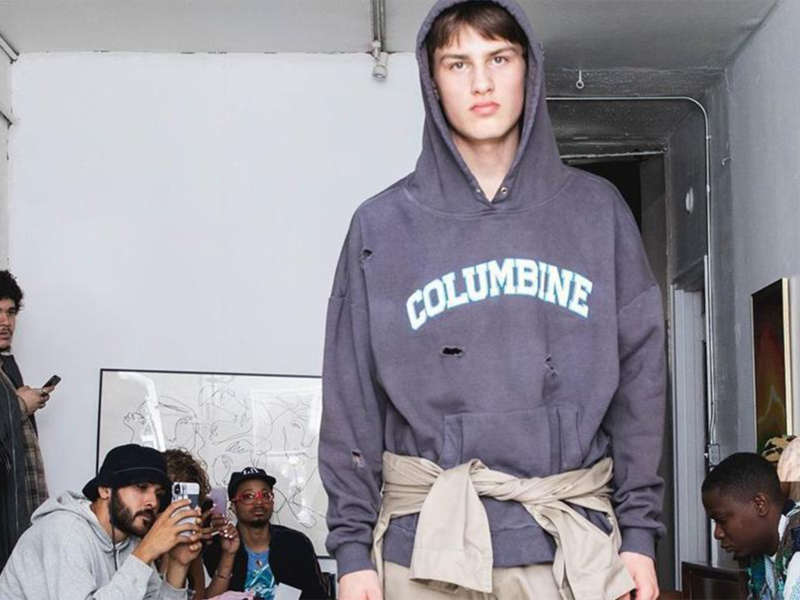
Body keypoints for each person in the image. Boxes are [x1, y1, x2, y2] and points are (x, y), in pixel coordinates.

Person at [319, 1, 665, 599]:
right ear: (432, 81)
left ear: (529, 68)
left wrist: (638, 534)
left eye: (499, 58)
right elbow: (350, 394)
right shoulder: (381, 226)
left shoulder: (597, 212)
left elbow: (642, 381)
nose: (481, 82)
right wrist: (352, 553)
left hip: (570, 547)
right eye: (458, 63)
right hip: (422, 548)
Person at [0, 443, 203, 599]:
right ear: (105, 490)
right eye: (141, 487)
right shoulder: (64, 531)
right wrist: (145, 553)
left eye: (158, 494)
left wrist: (178, 565)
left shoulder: (130, 541)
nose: (153, 502)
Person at [203, 467, 330, 600]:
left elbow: (318, 596)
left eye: (265, 495)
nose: (259, 502)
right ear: (233, 506)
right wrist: (228, 555)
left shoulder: (296, 543)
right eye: (248, 496)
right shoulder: (217, 548)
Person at [0, 270, 52, 570]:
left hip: (20, 523)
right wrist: (20, 404)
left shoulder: (7, 366)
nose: (5, 322)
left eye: (11, 312)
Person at [702, 452, 800, 599]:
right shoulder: (759, 552)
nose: (717, 534)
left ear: (759, 505)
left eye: (721, 520)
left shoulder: (797, 546)